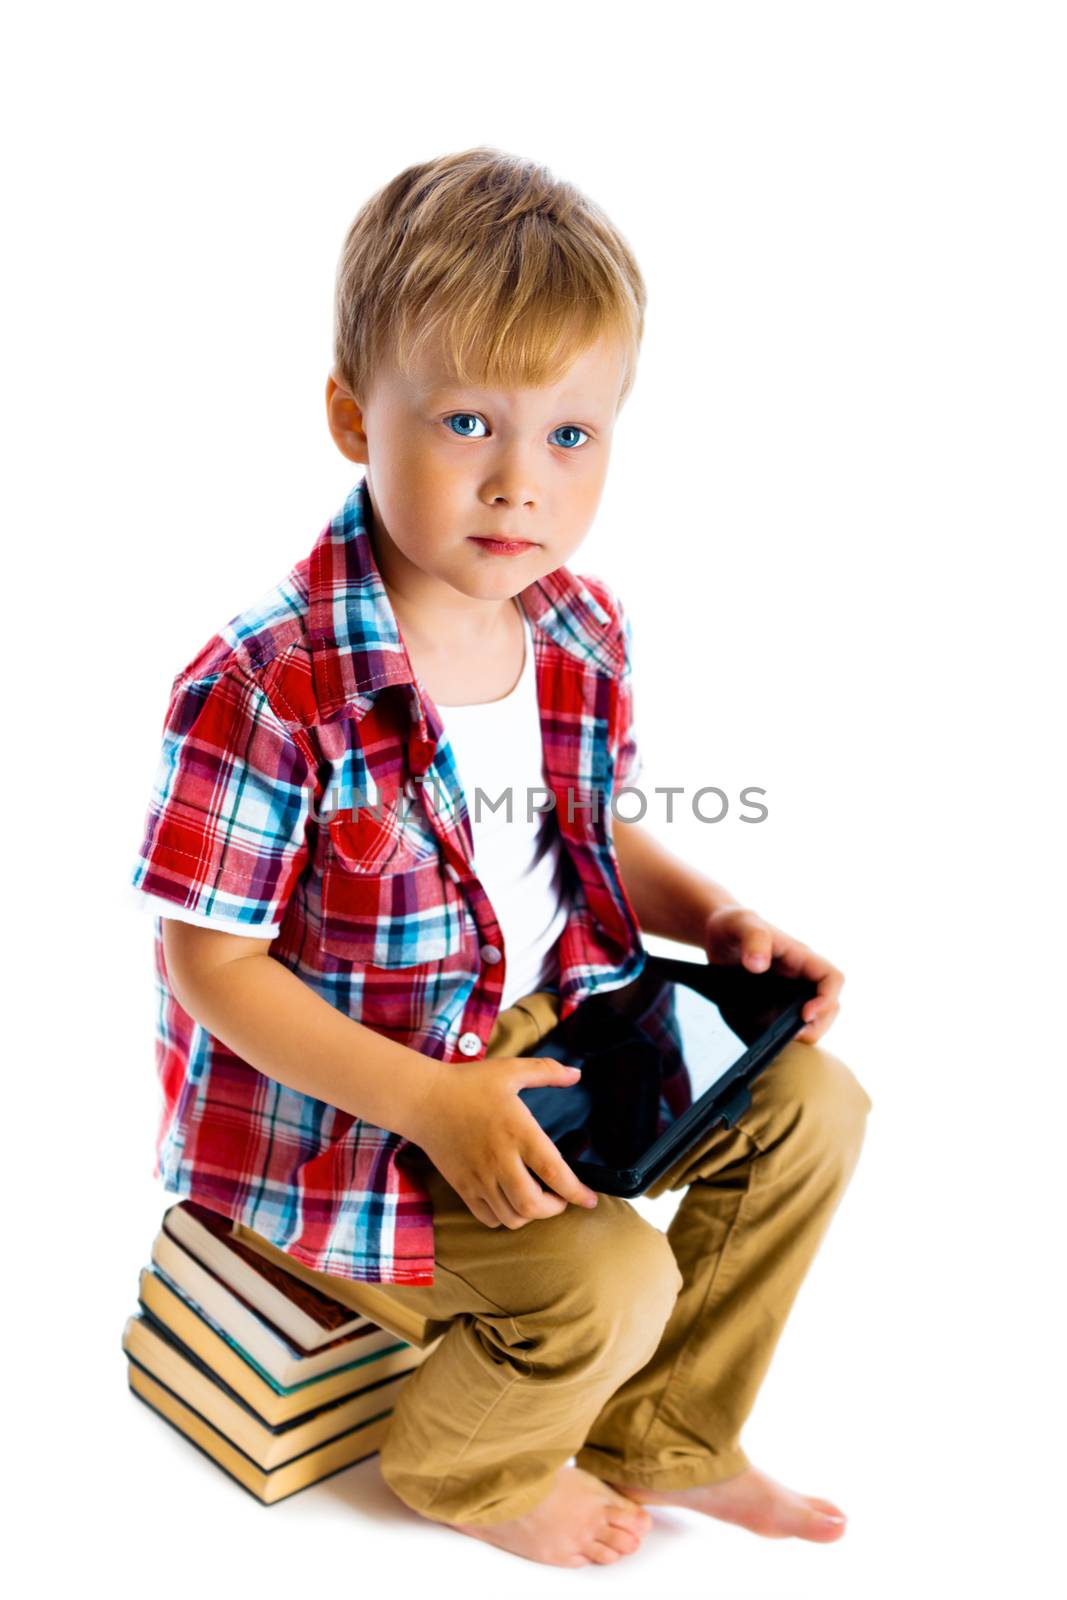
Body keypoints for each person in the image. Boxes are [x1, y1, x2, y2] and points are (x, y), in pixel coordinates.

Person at [129, 146, 872, 1569]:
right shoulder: (270, 678)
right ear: (356, 415)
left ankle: (669, 1436)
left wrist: (713, 914)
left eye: (571, 437)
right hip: (343, 1105)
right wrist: (431, 1103)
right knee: (607, 1274)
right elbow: (210, 962)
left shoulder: (577, 629)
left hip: (543, 1030)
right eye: (468, 421)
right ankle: (468, 1470)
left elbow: (573, 834)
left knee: (815, 1113)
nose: (520, 484)